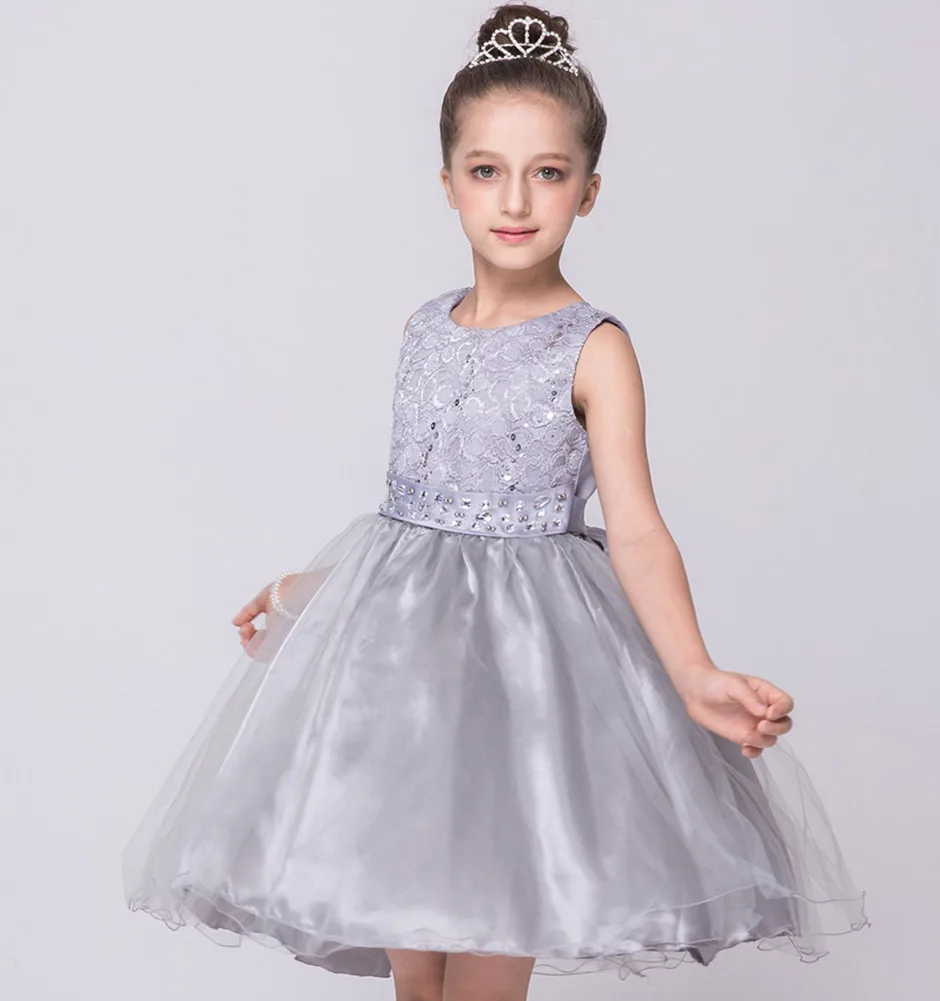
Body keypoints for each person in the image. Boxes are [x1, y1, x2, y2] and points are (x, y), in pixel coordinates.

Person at [122, 5, 869, 998]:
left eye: (546, 172)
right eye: (486, 170)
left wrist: (691, 672)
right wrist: (306, 592)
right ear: (448, 183)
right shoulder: (423, 329)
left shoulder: (594, 346)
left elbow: (635, 526)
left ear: (587, 190)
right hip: (400, 689)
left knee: (484, 948)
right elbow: (408, 518)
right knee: (415, 969)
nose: (514, 199)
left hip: (524, 684)